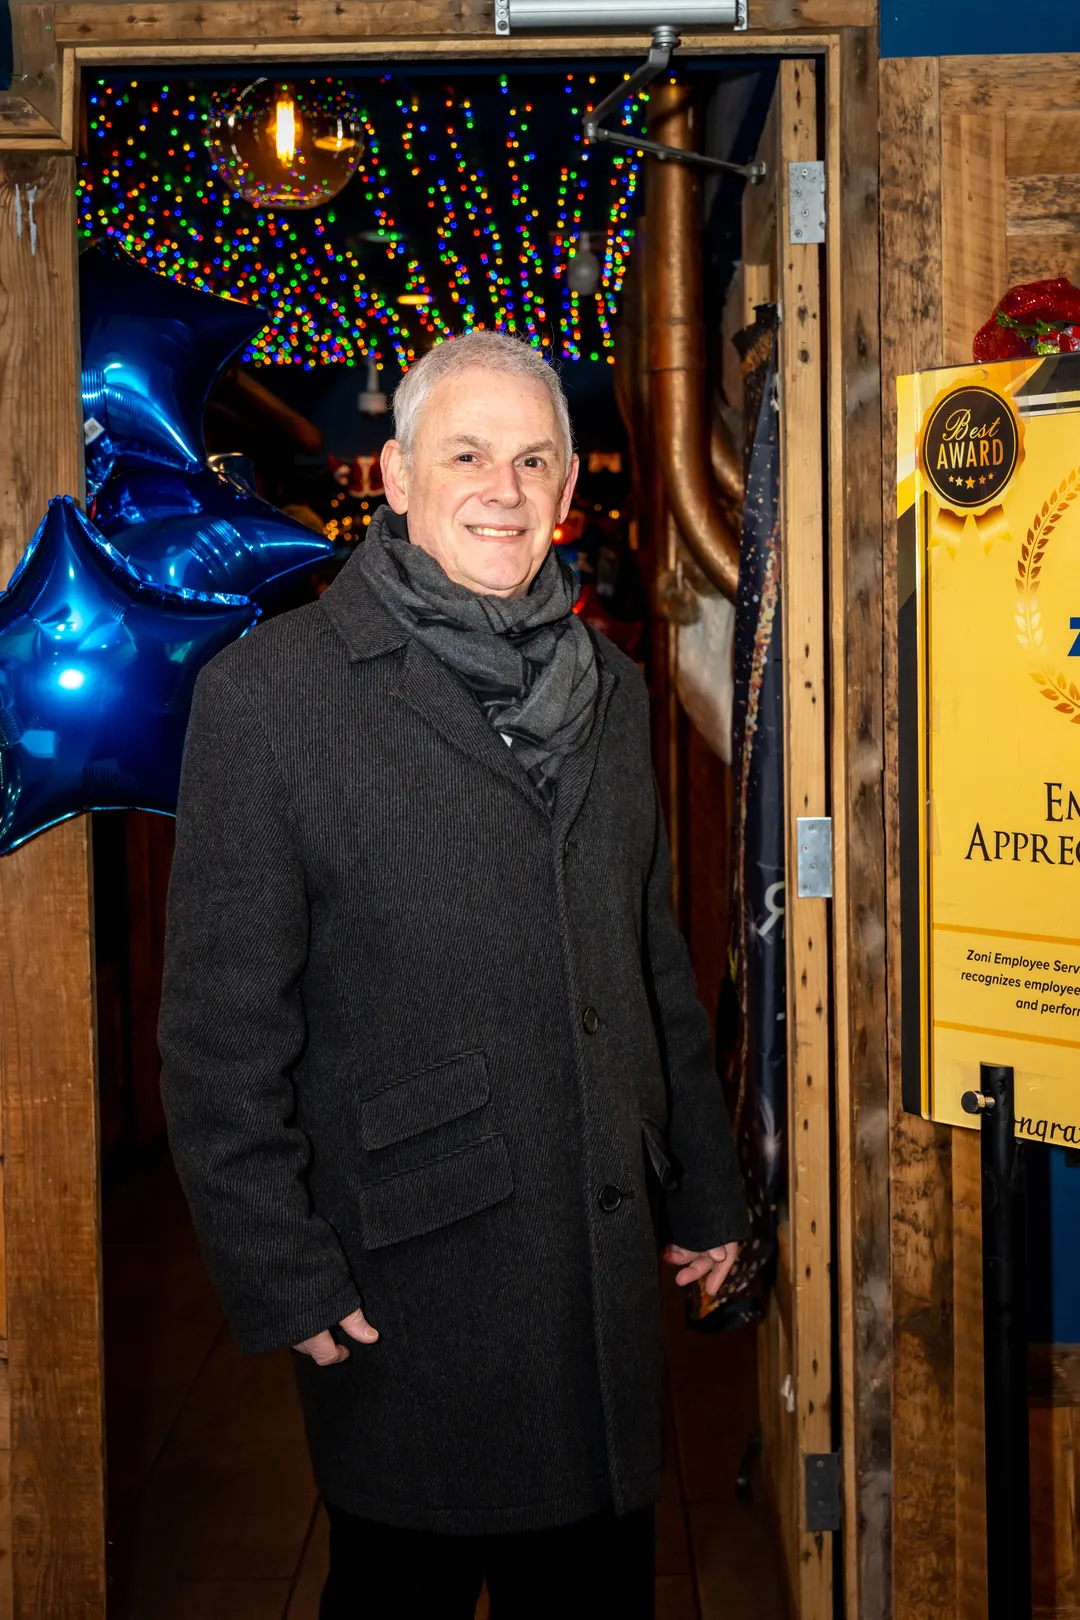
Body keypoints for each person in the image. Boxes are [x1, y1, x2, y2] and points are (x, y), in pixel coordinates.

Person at [158, 330, 748, 1619]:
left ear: (565, 495)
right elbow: (218, 1035)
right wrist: (278, 1269)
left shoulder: (610, 688)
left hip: (594, 1278)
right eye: (467, 454)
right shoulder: (270, 699)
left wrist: (706, 1191)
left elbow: (651, 968)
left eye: (533, 459)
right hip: (404, 1289)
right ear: (397, 478)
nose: (503, 486)